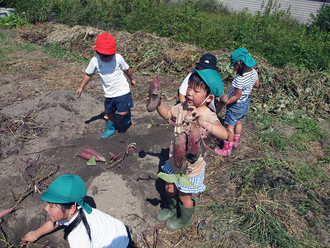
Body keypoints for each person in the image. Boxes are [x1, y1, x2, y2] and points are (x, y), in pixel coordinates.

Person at [154, 69, 228, 231]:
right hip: (174, 161)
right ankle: (172, 209)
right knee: (169, 187)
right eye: (189, 87)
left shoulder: (208, 116)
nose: (189, 92)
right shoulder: (182, 107)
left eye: (196, 90)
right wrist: (157, 103)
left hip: (191, 168)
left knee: (184, 195)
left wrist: (204, 124)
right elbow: (167, 114)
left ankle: (184, 219)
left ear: (209, 98)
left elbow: (224, 133)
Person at [22, 174, 129, 248]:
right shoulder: (79, 208)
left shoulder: (78, 237)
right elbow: (53, 223)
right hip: (120, 230)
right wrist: (35, 234)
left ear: (71, 209)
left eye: (51, 206)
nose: (46, 208)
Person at [76, 33, 137, 139]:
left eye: (110, 56)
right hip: (109, 93)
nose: (107, 59)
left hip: (122, 90)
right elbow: (88, 74)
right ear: (97, 52)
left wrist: (132, 79)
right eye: (104, 56)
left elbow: (126, 69)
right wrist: (81, 87)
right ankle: (110, 129)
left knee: (122, 113)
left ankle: (126, 113)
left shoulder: (118, 58)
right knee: (109, 113)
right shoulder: (94, 61)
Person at [216, 48, 259, 156]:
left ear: (239, 63)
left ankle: (227, 150)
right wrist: (248, 86)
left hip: (236, 105)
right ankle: (235, 143)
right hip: (245, 103)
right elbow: (257, 85)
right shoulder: (254, 72)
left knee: (229, 126)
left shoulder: (239, 79)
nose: (234, 68)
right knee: (238, 122)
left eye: (234, 65)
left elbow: (236, 96)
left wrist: (224, 103)